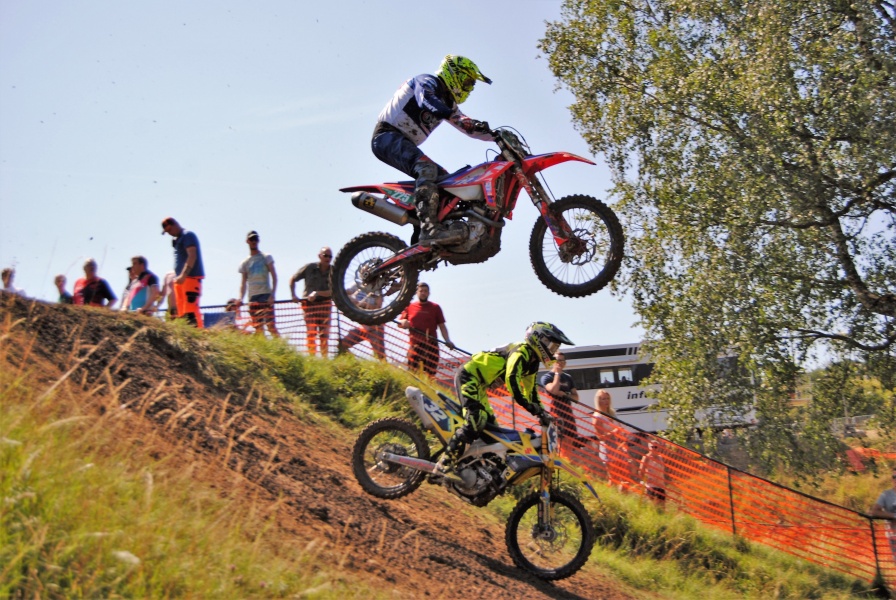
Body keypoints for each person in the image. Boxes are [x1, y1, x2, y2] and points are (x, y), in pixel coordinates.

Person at [371, 55, 492, 244]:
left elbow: (468, 128)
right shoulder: (426, 81)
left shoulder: (448, 104)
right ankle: (429, 229)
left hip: (402, 141)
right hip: (386, 136)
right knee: (427, 169)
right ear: (455, 74)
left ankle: (422, 237)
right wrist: (453, 116)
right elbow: (425, 99)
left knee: (447, 181)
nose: (468, 88)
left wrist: (496, 136)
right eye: (467, 82)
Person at [436, 322, 574, 472]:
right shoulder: (521, 352)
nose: (552, 352)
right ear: (540, 339)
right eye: (552, 347)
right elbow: (512, 379)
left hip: (480, 386)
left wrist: (542, 412)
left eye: (555, 348)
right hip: (469, 376)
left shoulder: (532, 363)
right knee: (475, 420)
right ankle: (444, 464)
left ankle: (475, 470)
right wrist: (529, 407)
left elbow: (531, 392)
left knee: (493, 434)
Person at [397, 282, 454, 376]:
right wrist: (403, 322)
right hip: (415, 345)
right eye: (421, 291)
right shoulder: (409, 307)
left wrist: (447, 340)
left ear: (429, 293)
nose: (423, 293)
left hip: (431, 345)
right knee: (412, 373)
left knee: (430, 374)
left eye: (425, 291)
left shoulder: (435, 307)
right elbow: (400, 323)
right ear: (417, 292)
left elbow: (442, 326)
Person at [161, 217, 205, 328]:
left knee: (191, 311)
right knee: (181, 312)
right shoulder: (177, 239)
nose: (170, 233)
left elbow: (192, 255)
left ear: (175, 224)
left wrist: (183, 275)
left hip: (190, 278)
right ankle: (188, 334)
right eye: (167, 232)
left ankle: (198, 333)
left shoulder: (187, 235)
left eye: (170, 230)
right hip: (180, 279)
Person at [290, 247, 333, 357]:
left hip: (325, 306)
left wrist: (317, 293)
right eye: (325, 255)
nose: (328, 258)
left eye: (330, 256)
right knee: (311, 332)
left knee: (324, 335)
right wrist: (293, 295)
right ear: (319, 256)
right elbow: (293, 279)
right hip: (309, 306)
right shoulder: (309, 268)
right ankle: (312, 358)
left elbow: (334, 291)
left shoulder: (334, 272)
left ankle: (324, 360)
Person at [237, 230, 280, 338]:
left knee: (271, 326)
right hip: (253, 298)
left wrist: (272, 295)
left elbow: (274, 276)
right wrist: (240, 298)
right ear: (247, 241)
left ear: (258, 240)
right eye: (251, 239)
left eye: (255, 239)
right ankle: (263, 348)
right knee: (258, 328)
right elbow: (243, 283)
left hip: (265, 295)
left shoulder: (266, 257)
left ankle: (282, 347)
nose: (254, 241)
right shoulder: (245, 263)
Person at [540, 351, 580, 448]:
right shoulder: (547, 377)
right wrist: (557, 373)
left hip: (568, 416)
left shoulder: (568, 377)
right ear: (552, 361)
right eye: (557, 360)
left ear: (565, 363)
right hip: (556, 416)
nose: (560, 363)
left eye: (562, 361)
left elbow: (576, 398)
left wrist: (565, 395)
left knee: (570, 446)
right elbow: (554, 390)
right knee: (559, 446)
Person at [590, 390, 631, 487]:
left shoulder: (612, 413)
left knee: (625, 474)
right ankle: (610, 494)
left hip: (619, 445)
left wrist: (623, 435)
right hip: (608, 448)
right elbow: (600, 437)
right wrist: (614, 432)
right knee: (613, 477)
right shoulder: (597, 417)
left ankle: (622, 494)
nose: (606, 401)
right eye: (603, 399)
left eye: (607, 398)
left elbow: (619, 427)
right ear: (598, 401)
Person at [337, 287, 386, 359]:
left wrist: (362, 304)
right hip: (363, 327)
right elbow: (347, 291)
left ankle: (383, 366)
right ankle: (353, 362)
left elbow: (378, 307)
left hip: (375, 328)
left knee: (380, 355)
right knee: (342, 345)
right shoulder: (358, 285)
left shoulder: (377, 290)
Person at [871, 468, 896, 558]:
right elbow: (874, 511)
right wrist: (893, 515)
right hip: (893, 534)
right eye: (894, 477)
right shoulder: (886, 494)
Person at [638, 439, 668, 506]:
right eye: (652, 447)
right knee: (653, 505)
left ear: (658, 448)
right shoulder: (646, 458)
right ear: (649, 447)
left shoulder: (660, 458)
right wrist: (646, 481)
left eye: (656, 447)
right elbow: (640, 472)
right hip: (651, 486)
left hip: (660, 485)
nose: (654, 448)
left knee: (662, 507)